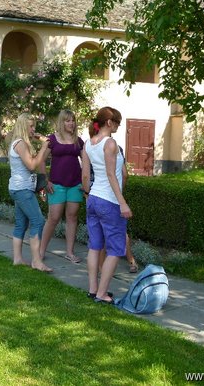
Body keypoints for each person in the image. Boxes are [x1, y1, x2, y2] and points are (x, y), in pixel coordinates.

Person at [81, 106, 132, 303]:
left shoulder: (87, 144)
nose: (119, 125)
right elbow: (112, 175)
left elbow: (85, 175)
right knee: (115, 249)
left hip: (93, 199)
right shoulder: (110, 143)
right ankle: (102, 294)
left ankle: (93, 290)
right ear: (109, 123)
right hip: (109, 201)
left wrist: (87, 195)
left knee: (94, 247)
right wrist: (123, 203)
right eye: (117, 122)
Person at [39, 110, 85, 264]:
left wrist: (85, 183)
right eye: (67, 121)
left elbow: (86, 163)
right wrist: (46, 181)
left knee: (72, 218)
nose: (71, 123)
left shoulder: (78, 141)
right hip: (56, 184)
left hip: (75, 185)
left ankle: (70, 253)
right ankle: (40, 251)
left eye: (73, 120)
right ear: (61, 122)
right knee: (53, 218)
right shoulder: (52, 139)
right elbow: (40, 160)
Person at [8, 113, 52, 272]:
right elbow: (32, 165)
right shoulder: (20, 144)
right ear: (23, 127)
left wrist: (43, 148)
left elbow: (38, 163)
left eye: (34, 126)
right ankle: (36, 261)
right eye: (31, 126)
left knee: (21, 223)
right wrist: (44, 147)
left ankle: (18, 259)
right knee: (38, 221)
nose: (34, 129)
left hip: (20, 188)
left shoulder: (22, 143)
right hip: (22, 189)